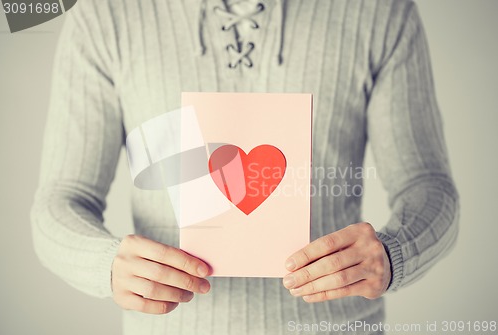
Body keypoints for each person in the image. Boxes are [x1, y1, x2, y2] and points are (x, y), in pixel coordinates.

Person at [31, 0, 459, 334]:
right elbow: (60, 200)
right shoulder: (104, 18)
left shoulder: (381, 14)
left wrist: (394, 253)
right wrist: (103, 263)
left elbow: (429, 185)